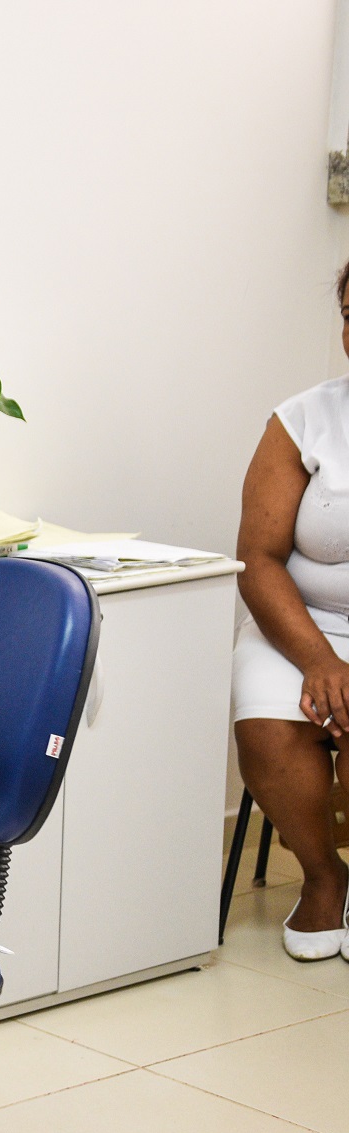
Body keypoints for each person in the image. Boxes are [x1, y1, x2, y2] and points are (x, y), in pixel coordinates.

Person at [234, 265, 349, 961]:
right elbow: (258, 556)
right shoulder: (302, 419)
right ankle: (323, 877)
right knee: (270, 732)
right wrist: (320, 660)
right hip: (297, 625)